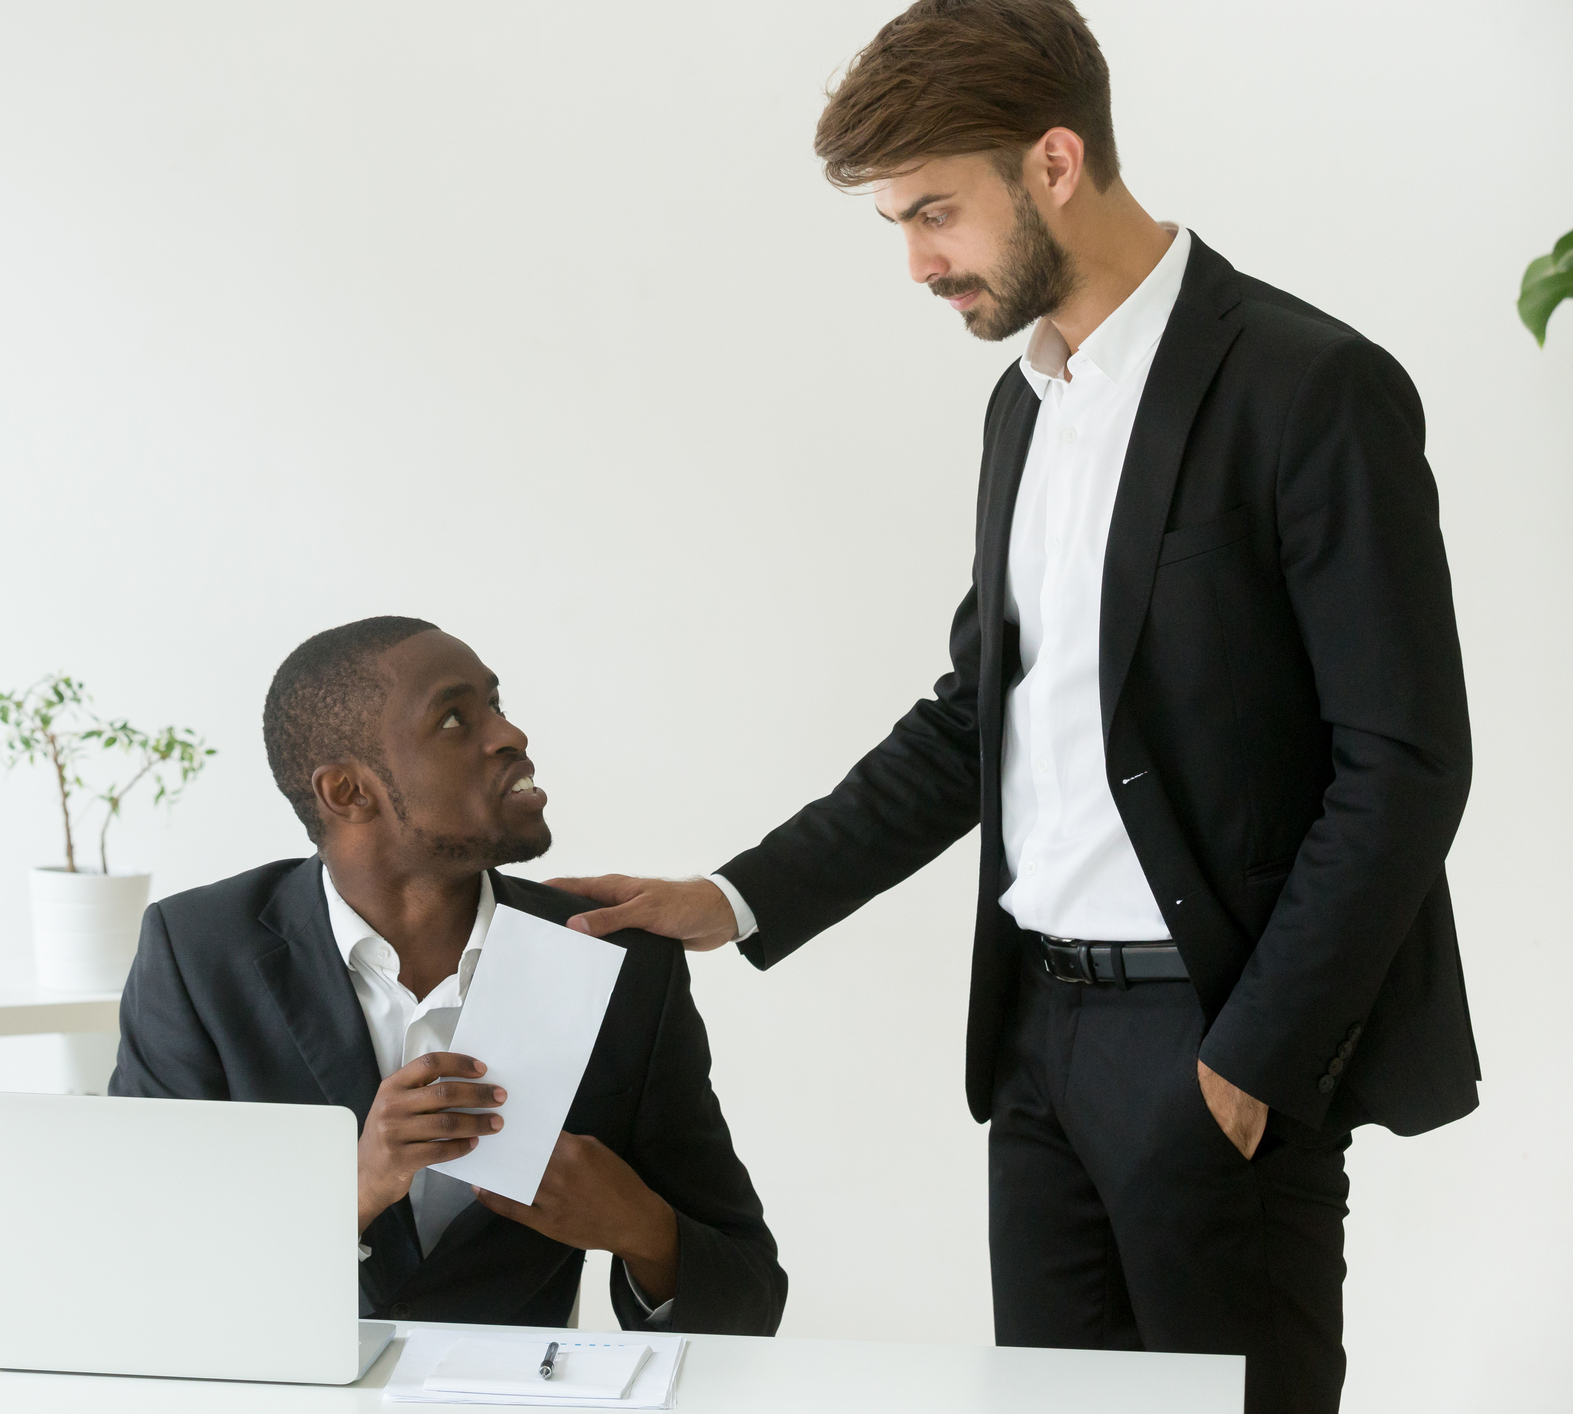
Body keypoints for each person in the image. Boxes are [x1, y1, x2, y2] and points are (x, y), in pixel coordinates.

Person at [548, 3, 1476, 1410]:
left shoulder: (1309, 387)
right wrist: (733, 895)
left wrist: (1248, 1062)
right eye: (894, 226)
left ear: (1053, 162)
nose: (919, 263)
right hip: (1036, 1039)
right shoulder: (1023, 405)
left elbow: (1403, 760)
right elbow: (974, 716)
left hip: (1209, 1037)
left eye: (935, 211)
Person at [110, 616, 785, 1336]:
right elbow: (138, 1260)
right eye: (456, 718)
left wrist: (641, 1229)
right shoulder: (198, 953)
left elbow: (749, 1298)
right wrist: (354, 1191)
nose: (510, 734)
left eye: (497, 704)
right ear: (347, 792)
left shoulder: (615, 961)